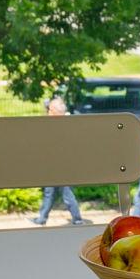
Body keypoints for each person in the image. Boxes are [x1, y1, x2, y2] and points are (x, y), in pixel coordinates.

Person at [33, 97, 87, 226]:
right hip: (54, 165)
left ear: (56, 112)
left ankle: (77, 219)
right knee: (49, 192)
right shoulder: (56, 123)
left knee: (67, 194)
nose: (48, 113)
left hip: (64, 167)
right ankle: (42, 218)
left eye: (50, 110)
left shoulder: (67, 125)